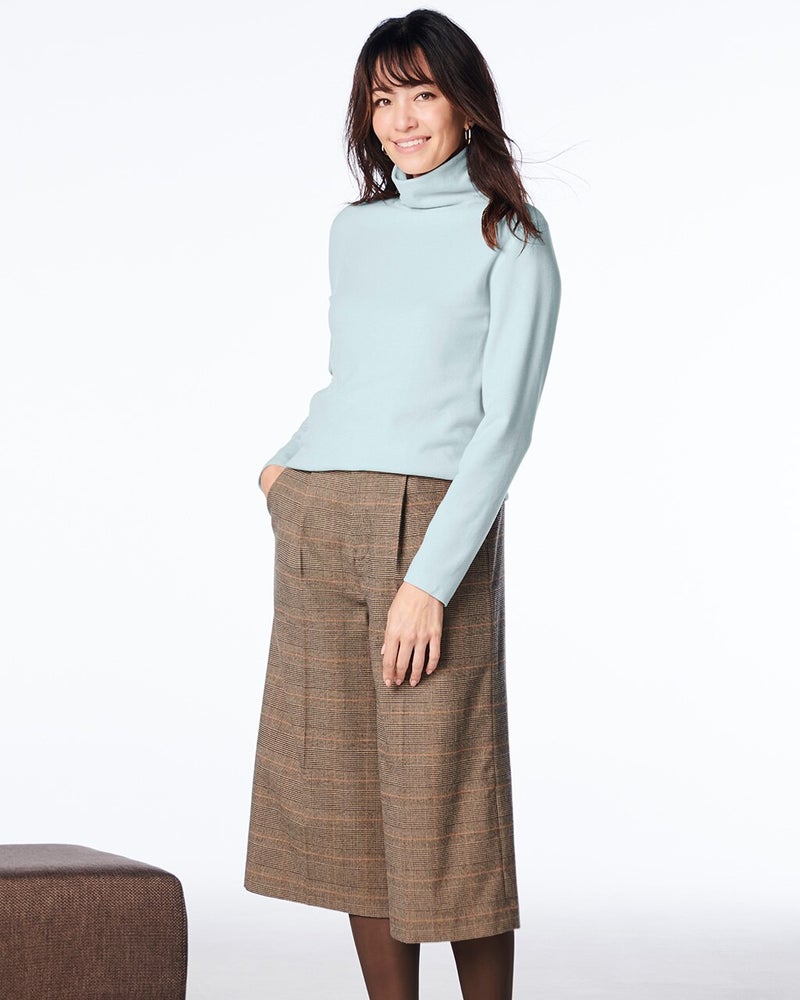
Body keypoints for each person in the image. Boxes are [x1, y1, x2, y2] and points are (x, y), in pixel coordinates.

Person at [244, 9, 562, 999]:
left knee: (443, 802)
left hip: (431, 524)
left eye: (422, 93)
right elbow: (358, 378)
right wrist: (283, 470)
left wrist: (429, 581)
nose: (402, 119)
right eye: (383, 99)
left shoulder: (508, 233)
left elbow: (504, 426)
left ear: (465, 105)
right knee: (352, 809)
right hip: (320, 515)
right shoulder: (355, 230)